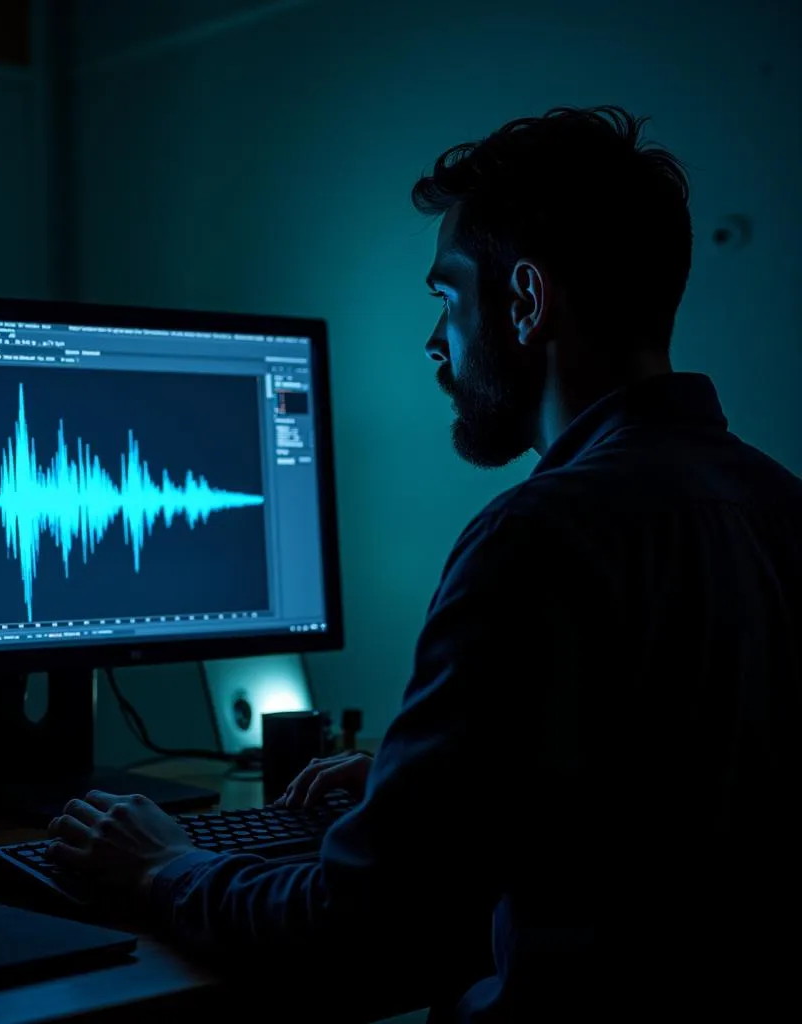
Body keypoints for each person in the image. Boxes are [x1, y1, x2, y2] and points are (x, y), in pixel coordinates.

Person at [46, 106, 802, 1019]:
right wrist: (440, 789)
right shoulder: (780, 506)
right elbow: (678, 796)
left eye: (447, 297)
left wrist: (164, 866)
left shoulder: (538, 538)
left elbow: (360, 931)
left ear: (525, 301)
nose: (437, 343)